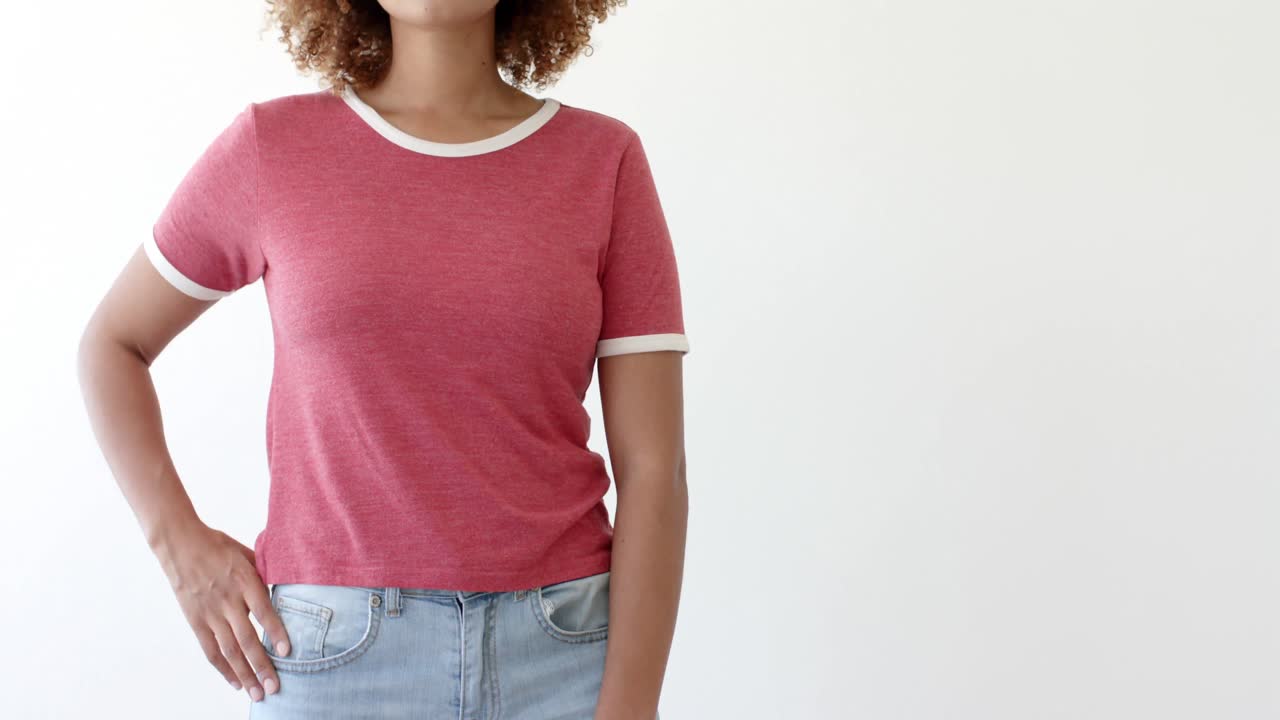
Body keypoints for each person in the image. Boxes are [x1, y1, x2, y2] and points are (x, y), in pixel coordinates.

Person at [75, 1, 689, 717]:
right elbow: (112, 346)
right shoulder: (273, 147)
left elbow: (654, 470)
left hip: (561, 659)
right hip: (333, 661)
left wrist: (630, 706)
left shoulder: (603, 162)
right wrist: (179, 549)